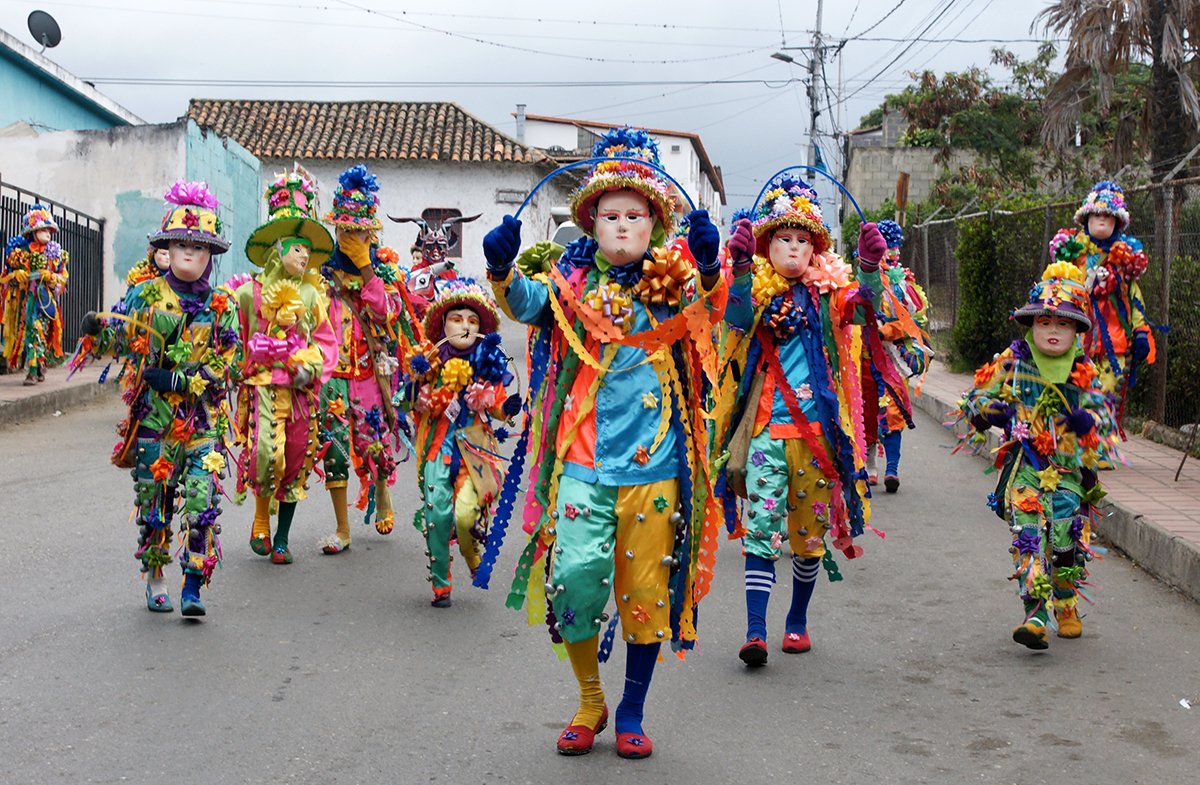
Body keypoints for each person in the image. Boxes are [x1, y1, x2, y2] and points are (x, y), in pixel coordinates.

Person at [482, 127, 726, 759]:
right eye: (609, 215)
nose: (621, 225)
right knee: (573, 581)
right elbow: (527, 303)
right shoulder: (568, 283)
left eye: (634, 215)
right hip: (583, 464)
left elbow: (714, 313)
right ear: (590, 223)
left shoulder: (673, 284)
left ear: (655, 222)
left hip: (656, 466)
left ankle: (633, 709)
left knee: (646, 595)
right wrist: (502, 268)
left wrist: (705, 265)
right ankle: (590, 698)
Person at [717, 176, 889, 667]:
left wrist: (872, 270)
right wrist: (743, 269)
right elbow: (733, 316)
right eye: (783, 239)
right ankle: (754, 630)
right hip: (767, 434)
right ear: (768, 244)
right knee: (761, 533)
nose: (792, 248)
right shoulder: (756, 293)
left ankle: (796, 619)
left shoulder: (830, 296)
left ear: (815, 250)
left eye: (802, 240)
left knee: (809, 540)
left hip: (816, 438)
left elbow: (866, 310)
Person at [79, 181, 240, 616]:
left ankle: (193, 585)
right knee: (156, 502)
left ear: (211, 255)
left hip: (203, 422)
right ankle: (155, 576)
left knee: (201, 499)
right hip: (155, 419)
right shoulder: (146, 296)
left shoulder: (222, 306)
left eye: (200, 246)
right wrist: (96, 331)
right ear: (166, 247)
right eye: (181, 243)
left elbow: (231, 359)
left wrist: (186, 380)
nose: (190, 252)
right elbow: (120, 341)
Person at [957, 261, 1119, 650]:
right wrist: (986, 412)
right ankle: (1035, 614)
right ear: (1031, 325)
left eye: (1063, 324)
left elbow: (1107, 418)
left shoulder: (1086, 370)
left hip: (1069, 473)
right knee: (1028, 537)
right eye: (1045, 323)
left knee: (1064, 542)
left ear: (1076, 330)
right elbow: (974, 399)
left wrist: (1087, 421)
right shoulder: (1012, 361)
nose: (1052, 331)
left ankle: (1065, 602)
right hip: (1026, 469)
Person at [234, 168, 339, 565]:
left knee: (295, 457)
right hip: (261, 384)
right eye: (297, 248)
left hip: (299, 388)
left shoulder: (314, 294)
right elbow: (237, 338)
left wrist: (309, 370)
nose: (304, 256)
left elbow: (327, 341)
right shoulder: (248, 293)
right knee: (264, 453)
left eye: (308, 252)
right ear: (279, 249)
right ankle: (261, 519)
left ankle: (282, 537)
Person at [316, 164, 422, 554]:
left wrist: (365, 266)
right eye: (344, 232)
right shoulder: (323, 274)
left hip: (369, 374)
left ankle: (382, 492)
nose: (351, 239)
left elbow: (386, 313)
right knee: (336, 449)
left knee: (373, 442)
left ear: (370, 232)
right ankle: (343, 529)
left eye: (358, 232)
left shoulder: (384, 272)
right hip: (332, 377)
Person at [409, 277, 520, 607]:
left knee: (465, 515)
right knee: (437, 516)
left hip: (476, 448)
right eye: (457, 318)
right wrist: (415, 395)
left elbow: (498, 405)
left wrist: (506, 408)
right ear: (443, 324)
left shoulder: (489, 363)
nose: (465, 326)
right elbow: (406, 397)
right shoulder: (427, 360)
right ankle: (441, 585)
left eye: (472, 320)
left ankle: (473, 558)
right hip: (437, 446)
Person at [1048, 180, 1156, 433]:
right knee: (1076, 385)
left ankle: (1102, 444)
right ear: (1087, 218)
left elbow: (1134, 297)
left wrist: (1141, 330)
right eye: (1096, 214)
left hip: (1114, 340)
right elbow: (1059, 289)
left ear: (1117, 222)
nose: (1102, 220)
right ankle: (1074, 438)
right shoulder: (1074, 254)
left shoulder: (1125, 260)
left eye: (1108, 215)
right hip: (1077, 337)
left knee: (1107, 388)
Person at [861, 219, 931, 492]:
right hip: (862, 360)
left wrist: (887, 330)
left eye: (891, 250)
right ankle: (870, 467)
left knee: (891, 413)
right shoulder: (859, 281)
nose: (887, 257)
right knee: (866, 413)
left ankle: (891, 469)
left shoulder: (903, 285)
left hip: (890, 362)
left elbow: (912, 323)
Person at [2, 204, 69, 384]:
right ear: (33, 231)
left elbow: (63, 278)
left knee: (41, 332)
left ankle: (38, 367)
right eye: (43, 229)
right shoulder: (21, 252)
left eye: (49, 229)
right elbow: (8, 277)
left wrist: (52, 277)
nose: (48, 233)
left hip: (45, 301)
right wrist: (16, 275)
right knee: (32, 330)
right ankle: (33, 370)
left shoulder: (55, 254)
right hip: (27, 302)